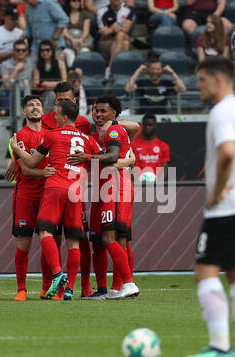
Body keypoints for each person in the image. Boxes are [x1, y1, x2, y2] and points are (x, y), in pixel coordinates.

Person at [182, 57, 235, 357]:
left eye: (201, 80)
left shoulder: (220, 112)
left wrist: (217, 193)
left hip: (226, 208)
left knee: (205, 271)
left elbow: (227, 151)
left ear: (218, 80)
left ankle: (219, 347)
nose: (197, 86)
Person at [11, 100, 103, 300]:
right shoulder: (87, 138)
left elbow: (31, 161)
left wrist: (16, 151)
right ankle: (68, 288)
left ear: (62, 117)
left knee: (45, 233)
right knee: (73, 241)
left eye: (56, 114)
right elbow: (103, 157)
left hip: (54, 189)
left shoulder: (51, 135)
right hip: (74, 192)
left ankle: (56, 274)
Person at [69, 94, 139, 300]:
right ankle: (105, 289)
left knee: (116, 238)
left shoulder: (115, 130)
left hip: (115, 187)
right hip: (102, 189)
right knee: (99, 239)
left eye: (103, 111)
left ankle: (126, 283)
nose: (98, 114)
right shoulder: (97, 135)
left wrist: (89, 158)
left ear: (114, 113)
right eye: (95, 110)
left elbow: (113, 156)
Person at [10, 94, 56, 301]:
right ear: (24, 112)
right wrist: (44, 173)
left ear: (43, 111)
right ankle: (21, 289)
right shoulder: (20, 136)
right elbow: (26, 170)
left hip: (48, 195)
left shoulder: (51, 135)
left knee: (47, 240)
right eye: (30, 105)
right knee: (24, 242)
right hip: (26, 195)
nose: (35, 108)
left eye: (38, 105)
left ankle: (46, 288)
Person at [0, 38, 33, 116]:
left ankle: (5, 112)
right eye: (18, 50)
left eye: (23, 50)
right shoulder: (5, 64)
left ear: (27, 52)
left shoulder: (31, 63)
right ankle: (6, 113)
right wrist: (16, 69)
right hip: (9, 91)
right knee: (8, 93)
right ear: (13, 51)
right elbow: (7, 85)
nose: (20, 52)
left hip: (25, 92)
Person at [97, 0, 134, 79]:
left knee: (122, 38)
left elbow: (126, 30)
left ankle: (110, 69)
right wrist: (113, 29)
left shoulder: (128, 10)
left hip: (119, 39)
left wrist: (111, 29)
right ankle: (120, 71)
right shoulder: (102, 11)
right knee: (124, 41)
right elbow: (103, 33)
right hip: (106, 41)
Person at [131, 113, 170, 181]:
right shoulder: (133, 145)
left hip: (156, 185)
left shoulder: (163, 146)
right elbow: (131, 167)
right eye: (145, 125)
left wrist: (158, 184)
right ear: (142, 126)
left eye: (150, 125)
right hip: (138, 184)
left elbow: (164, 169)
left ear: (155, 126)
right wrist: (137, 182)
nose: (147, 127)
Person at [32, 40, 67, 113]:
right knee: (51, 94)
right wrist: (55, 84)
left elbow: (64, 82)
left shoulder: (60, 63)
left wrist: (46, 84)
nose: (45, 52)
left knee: (53, 95)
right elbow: (36, 84)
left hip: (59, 94)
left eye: (47, 50)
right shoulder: (37, 66)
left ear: (52, 51)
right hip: (43, 95)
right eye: (42, 50)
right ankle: (46, 117)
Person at [0, 6, 23, 77]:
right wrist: (13, 53)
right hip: (0, 63)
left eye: (16, 19)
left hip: (17, 62)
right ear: (5, 18)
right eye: (12, 19)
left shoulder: (21, 33)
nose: (14, 21)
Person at [62, 0, 93, 70]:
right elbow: (64, 31)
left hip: (83, 42)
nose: (76, 2)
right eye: (73, 0)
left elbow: (86, 31)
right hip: (68, 43)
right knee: (70, 56)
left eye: (79, 0)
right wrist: (72, 40)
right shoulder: (64, 14)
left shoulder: (85, 14)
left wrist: (81, 40)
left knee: (84, 53)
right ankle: (72, 74)